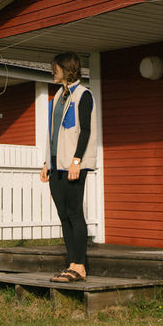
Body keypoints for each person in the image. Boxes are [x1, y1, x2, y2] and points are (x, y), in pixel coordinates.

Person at [39, 51, 97, 283]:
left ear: (67, 68)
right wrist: (46, 162)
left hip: (73, 165)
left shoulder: (84, 95)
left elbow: (85, 131)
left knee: (75, 213)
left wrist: (77, 161)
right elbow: (52, 133)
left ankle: (79, 266)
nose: (53, 71)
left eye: (56, 68)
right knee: (63, 215)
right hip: (56, 166)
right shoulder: (57, 97)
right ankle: (71, 263)